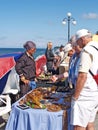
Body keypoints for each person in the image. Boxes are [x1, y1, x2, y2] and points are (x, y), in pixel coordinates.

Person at [70, 29, 98, 130]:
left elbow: (82, 76)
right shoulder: (96, 47)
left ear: (82, 39)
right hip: (95, 92)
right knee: (90, 124)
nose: (77, 44)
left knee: (79, 126)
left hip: (85, 95)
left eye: (77, 42)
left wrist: (75, 97)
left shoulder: (87, 51)